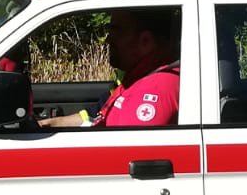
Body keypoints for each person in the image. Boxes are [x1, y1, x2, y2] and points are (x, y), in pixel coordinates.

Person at [41, 8, 181, 128]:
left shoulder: (153, 90)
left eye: (117, 31)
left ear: (146, 41)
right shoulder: (136, 78)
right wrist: (53, 122)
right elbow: (98, 116)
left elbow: (126, 153)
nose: (108, 40)